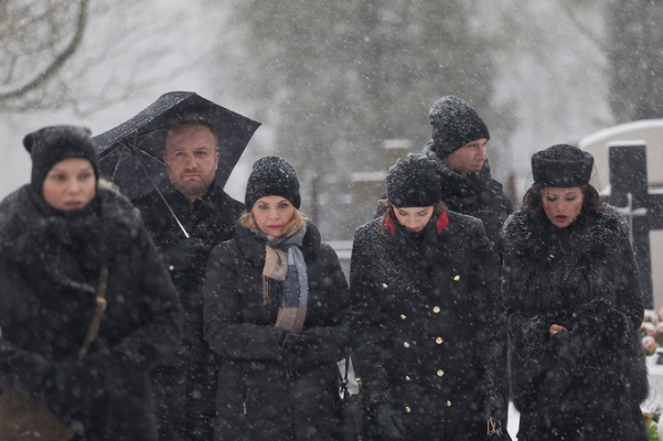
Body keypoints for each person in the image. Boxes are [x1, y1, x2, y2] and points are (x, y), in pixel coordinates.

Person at [0, 126, 183, 440]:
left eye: (84, 176)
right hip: (33, 417)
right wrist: (40, 377)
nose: (74, 188)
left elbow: (168, 322)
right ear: (39, 177)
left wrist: (97, 372)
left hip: (121, 417)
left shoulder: (126, 230)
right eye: (60, 177)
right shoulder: (8, 234)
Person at [351, 155, 508, 441]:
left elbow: (491, 319)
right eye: (403, 212)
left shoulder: (468, 233)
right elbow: (365, 328)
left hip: (463, 389)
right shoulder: (369, 242)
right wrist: (379, 399)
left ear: (437, 207)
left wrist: (495, 391)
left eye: (421, 213)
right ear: (390, 206)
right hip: (402, 392)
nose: (412, 222)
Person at [501, 144, 648, 440]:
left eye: (570, 197)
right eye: (551, 197)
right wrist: (541, 331)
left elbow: (632, 307)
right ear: (538, 194)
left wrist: (597, 325)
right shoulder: (519, 233)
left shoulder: (610, 229)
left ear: (585, 194)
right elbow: (507, 310)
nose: (560, 207)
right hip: (546, 389)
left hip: (609, 388)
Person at [203, 156, 350, 441]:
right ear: (250, 209)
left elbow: (346, 328)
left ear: (295, 206)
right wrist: (278, 342)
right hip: (249, 408)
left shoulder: (322, 256)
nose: (273, 216)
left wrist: (308, 345)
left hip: (316, 407)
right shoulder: (227, 257)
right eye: (263, 206)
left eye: (283, 205)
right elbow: (218, 331)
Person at [132, 115, 245, 441]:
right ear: (165, 160)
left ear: (216, 159)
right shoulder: (134, 217)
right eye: (180, 153)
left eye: (200, 152)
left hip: (222, 379)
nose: (190, 162)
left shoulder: (241, 219)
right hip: (155, 377)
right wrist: (165, 263)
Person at [422, 95, 512, 251]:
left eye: (483, 145)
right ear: (448, 150)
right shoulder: (413, 196)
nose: (482, 155)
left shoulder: (498, 200)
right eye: (472, 146)